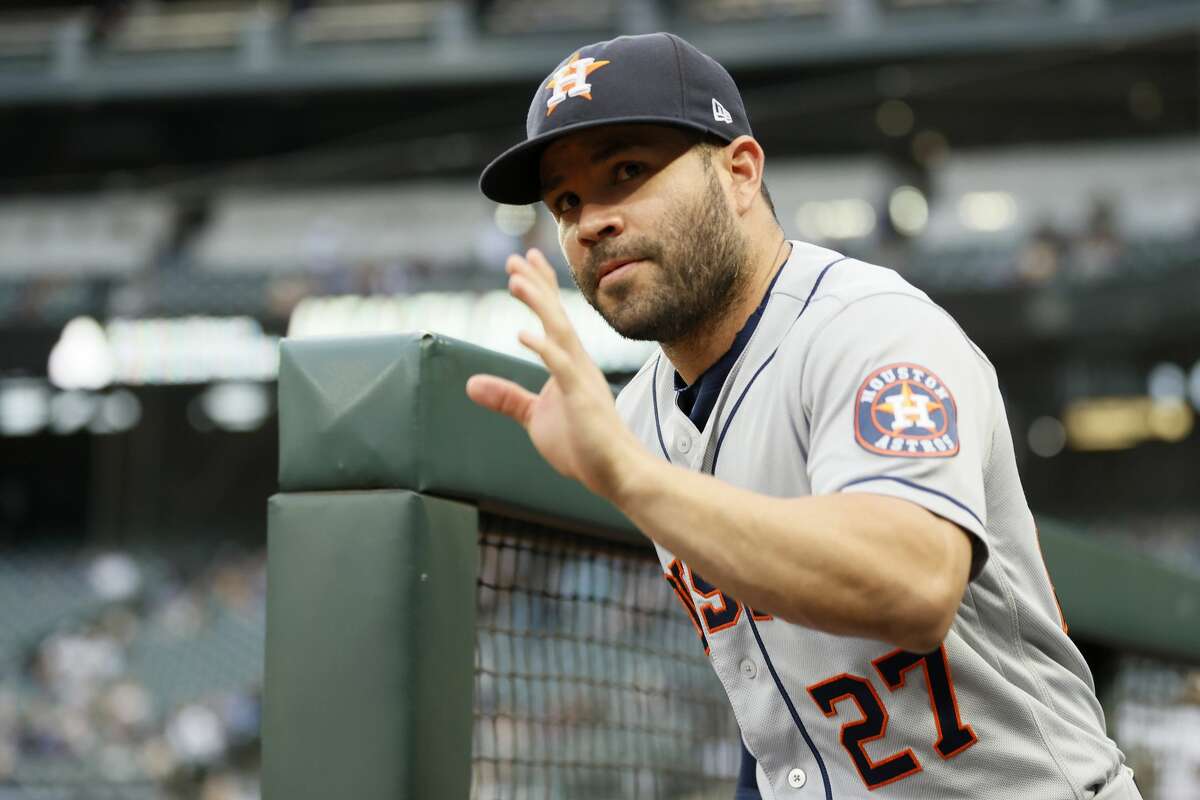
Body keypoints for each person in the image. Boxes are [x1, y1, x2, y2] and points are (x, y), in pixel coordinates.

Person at [467, 32, 1140, 800]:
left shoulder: (871, 328)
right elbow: (779, 711)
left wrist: (627, 478)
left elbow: (913, 586)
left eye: (628, 171)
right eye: (566, 202)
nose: (591, 222)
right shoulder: (639, 416)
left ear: (740, 172)